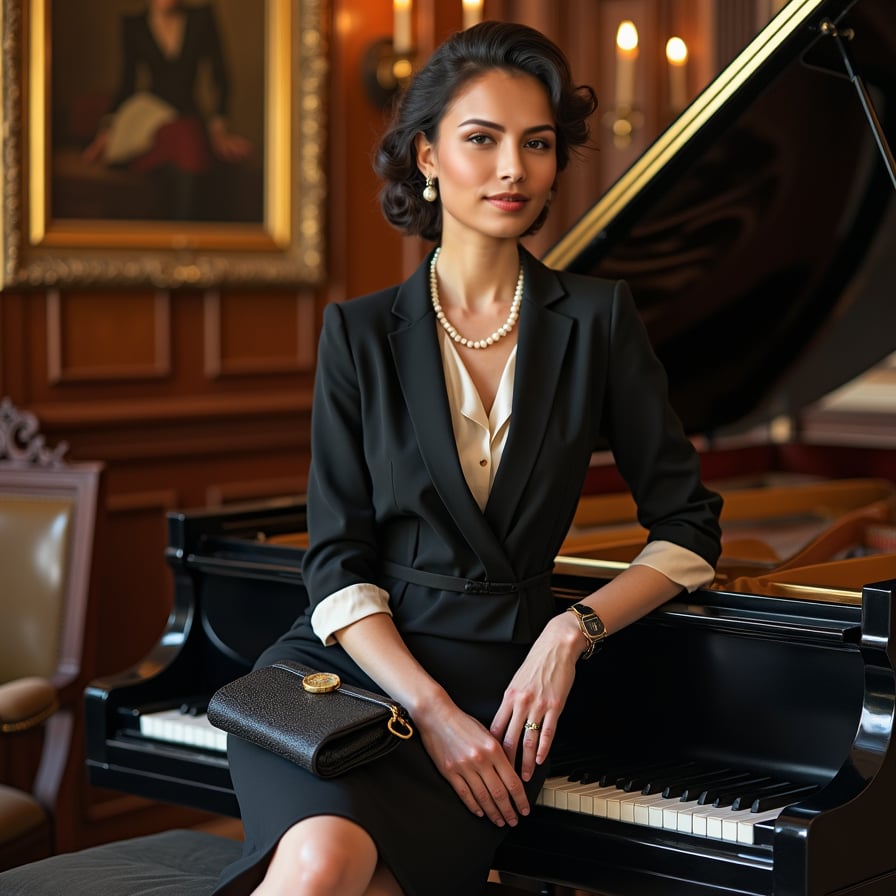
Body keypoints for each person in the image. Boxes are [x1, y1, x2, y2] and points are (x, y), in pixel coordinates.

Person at [212, 19, 723, 896]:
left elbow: (689, 529)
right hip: (347, 682)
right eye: (481, 140)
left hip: (501, 693)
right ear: (428, 156)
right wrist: (431, 712)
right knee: (322, 861)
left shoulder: (599, 321)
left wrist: (573, 628)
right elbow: (336, 562)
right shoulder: (359, 332)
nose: (512, 169)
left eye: (537, 144)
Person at [82, 0, 252, 219]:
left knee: (190, 147)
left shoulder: (202, 18)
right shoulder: (133, 25)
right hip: (151, 119)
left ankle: (183, 238)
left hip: (189, 117)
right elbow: (126, 85)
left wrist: (219, 128)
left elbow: (221, 79)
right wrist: (107, 131)